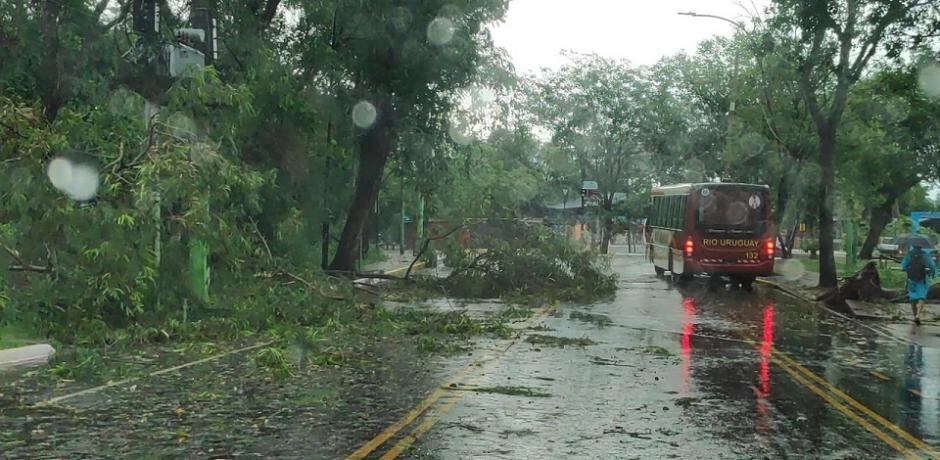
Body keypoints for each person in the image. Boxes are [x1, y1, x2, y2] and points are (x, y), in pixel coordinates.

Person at [901, 245, 936, 325]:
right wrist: (931, 272)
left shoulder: (909, 254)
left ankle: (914, 316)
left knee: (913, 298)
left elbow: (903, 266)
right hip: (922, 279)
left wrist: (906, 269)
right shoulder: (925, 255)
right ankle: (918, 315)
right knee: (922, 296)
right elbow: (932, 266)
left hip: (911, 279)